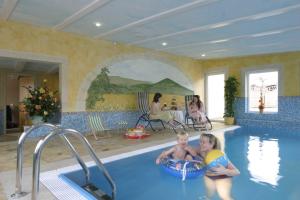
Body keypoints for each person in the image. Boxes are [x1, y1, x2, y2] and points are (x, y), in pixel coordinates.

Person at [195, 133, 240, 200]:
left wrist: (225, 171)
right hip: (209, 176)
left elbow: (237, 172)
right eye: (200, 141)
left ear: (211, 144)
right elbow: (206, 164)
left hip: (222, 177)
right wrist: (199, 166)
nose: (200, 144)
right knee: (209, 194)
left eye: (203, 142)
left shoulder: (219, 156)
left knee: (224, 197)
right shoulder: (203, 152)